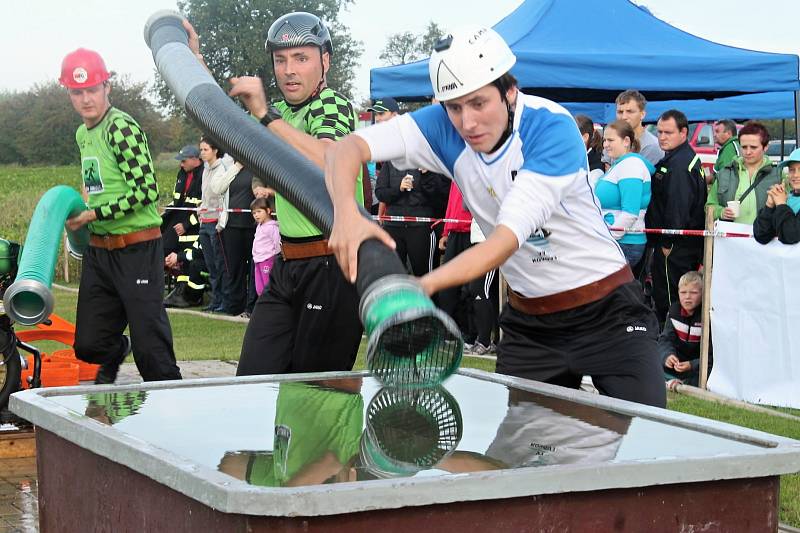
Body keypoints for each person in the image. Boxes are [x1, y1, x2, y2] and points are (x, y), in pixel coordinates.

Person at [324, 26, 666, 408]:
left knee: (648, 440)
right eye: (454, 107)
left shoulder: (549, 126)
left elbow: (504, 240)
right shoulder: (440, 124)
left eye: (478, 103)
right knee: (517, 459)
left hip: (608, 310)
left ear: (509, 91)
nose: (467, 122)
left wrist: (423, 285)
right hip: (532, 324)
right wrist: (345, 213)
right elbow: (347, 148)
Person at [183, 12, 364, 375]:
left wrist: (265, 116)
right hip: (289, 262)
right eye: (280, 60)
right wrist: (193, 61)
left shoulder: (331, 104)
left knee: (317, 389)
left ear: (325, 61)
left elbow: (326, 159)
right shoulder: (276, 116)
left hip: (332, 265)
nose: (289, 70)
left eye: (301, 58)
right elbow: (220, 119)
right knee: (252, 374)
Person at [60, 48, 181, 384]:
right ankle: (116, 351)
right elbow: (97, 184)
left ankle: (175, 410)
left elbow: (146, 191)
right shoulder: (83, 134)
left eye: (92, 90)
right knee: (88, 344)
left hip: (137, 249)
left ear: (106, 87)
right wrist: (82, 211)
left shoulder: (120, 127)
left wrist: (93, 214)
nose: (86, 100)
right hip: (100, 250)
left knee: (151, 351)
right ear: (69, 94)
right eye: (77, 92)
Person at [646, 109, 707, 326]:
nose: (662, 137)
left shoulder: (680, 164)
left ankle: (671, 344)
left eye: (668, 132)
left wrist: (667, 242)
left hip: (675, 246)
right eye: (660, 132)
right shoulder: (675, 158)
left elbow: (678, 207)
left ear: (684, 132)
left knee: (671, 297)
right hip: (677, 245)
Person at [372, 97, 441, 277]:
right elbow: (380, 192)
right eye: (376, 115)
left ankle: (427, 306)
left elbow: (440, 196)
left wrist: (426, 174)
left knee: (424, 276)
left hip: (421, 227)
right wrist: (399, 189)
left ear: (396, 116)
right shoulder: (388, 153)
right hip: (393, 225)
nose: (378, 119)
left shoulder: (425, 149)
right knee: (395, 275)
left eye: (381, 114)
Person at [595, 120, 653, 267]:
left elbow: (630, 213)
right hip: (618, 241)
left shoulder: (631, 166)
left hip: (624, 243)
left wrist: (607, 239)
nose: (605, 144)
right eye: (604, 140)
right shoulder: (621, 164)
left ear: (626, 141)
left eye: (610, 140)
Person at [706, 121, 781, 225]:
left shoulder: (779, 175)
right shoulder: (724, 173)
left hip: (767, 239)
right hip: (730, 238)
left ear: (766, 147)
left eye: (753, 147)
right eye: (744, 147)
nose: (748, 152)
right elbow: (710, 206)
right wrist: (721, 212)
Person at [210, 162, 257, 316]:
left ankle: (252, 307)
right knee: (235, 268)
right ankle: (235, 306)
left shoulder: (258, 168)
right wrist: (236, 167)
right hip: (231, 226)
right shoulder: (230, 166)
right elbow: (218, 188)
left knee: (254, 268)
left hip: (254, 226)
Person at [658, 271, 712, 387]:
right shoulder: (674, 312)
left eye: (693, 292)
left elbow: (713, 355)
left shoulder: (709, 317)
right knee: (653, 358)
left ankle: (681, 383)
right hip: (677, 365)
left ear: (703, 294)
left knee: (708, 373)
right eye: (683, 292)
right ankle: (674, 381)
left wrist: (692, 364)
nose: (687, 297)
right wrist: (667, 356)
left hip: (697, 367)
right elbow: (665, 339)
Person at [197, 136, 228, 312]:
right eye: (201, 150)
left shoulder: (221, 168)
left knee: (219, 264)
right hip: (204, 222)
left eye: (205, 150)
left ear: (215, 150)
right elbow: (205, 196)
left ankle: (223, 301)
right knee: (211, 266)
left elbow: (220, 195)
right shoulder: (205, 169)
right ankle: (215, 301)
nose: (202, 153)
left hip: (216, 223)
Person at [161, 145, 203, 260]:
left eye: (184, 161)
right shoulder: (182, 174)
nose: (181, 164)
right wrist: (165, 212)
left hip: (194, 224)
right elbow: (177, 201)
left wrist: (186, 224)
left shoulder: (204, 175)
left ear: (195, 159)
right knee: (161, 247)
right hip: (177, 218)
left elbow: (206, 208)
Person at [754, 148, 800, 245]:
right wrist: (769, 206)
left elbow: (791, 236)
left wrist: (781, 205)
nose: (796, 175)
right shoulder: (787, 198)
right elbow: (761, 236)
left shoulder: (782, 202)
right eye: (792, 170)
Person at [608, 90, 664, 166]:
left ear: (642, 114)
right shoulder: (611, 140)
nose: (624, 117)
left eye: (630, 111)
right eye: (620, 112)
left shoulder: (651, 146)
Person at [251, 196, 281, 296]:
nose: (256, 215)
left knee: (267, 286)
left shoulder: (272, 228)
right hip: (257, 260)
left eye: (259, 211)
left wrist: (274, 258)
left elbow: (277, 244)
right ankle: (262, 307)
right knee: (259, 288)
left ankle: (270, 307)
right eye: (254, 213)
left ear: (268, 210)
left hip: (267, 260)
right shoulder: (259, 226)